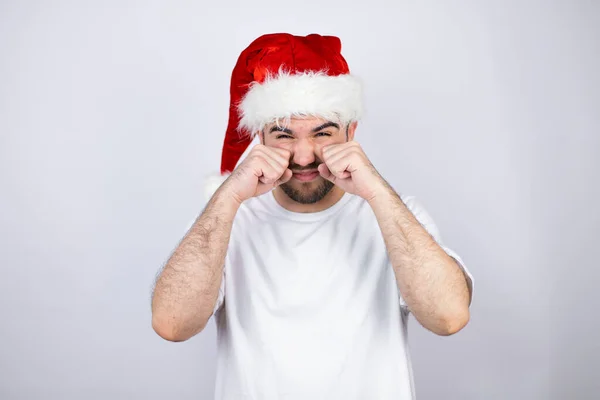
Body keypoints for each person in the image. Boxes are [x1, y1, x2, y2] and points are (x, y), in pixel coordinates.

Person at [151, 32, 474, 400]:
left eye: (323, 133)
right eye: (284, 135)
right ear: (260, 138)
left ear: (351, 131)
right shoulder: (227, 220)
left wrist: (375, 191)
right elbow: (171, 323)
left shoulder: (396, 215)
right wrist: (229, 194)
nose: (304, 156)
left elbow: (449, 317)